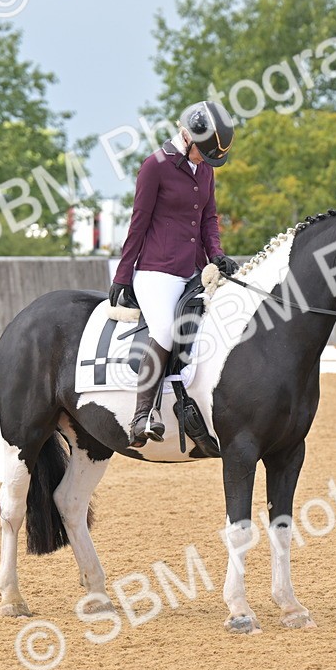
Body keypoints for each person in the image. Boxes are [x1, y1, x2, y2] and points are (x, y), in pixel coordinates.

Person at [109, 101, 240, 448]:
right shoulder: (155, 167)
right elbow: (138, 223)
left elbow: (209, 219)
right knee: (166, 330)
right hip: (157, 272)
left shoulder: (204, 170)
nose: (205, 162)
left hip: (195, 269)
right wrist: (123, 274)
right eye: (203, 154)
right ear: (187, 136)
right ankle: (142, 415)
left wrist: (217, 256)